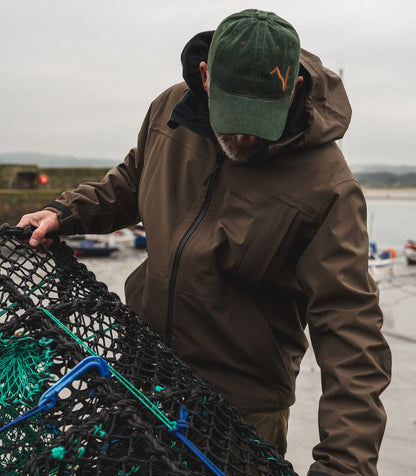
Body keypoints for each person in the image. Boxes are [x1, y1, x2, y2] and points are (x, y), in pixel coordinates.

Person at [17, 9, 391, 476]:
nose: (243, 134)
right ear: (205, 76)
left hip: (240, 410)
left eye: (259, 118)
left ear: (293, 89)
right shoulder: (169, 111)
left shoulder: (329, 188)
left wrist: (345, 465)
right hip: (141, 370)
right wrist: (65, 212)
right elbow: (134, 179)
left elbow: (351, 332)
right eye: (233, 115)